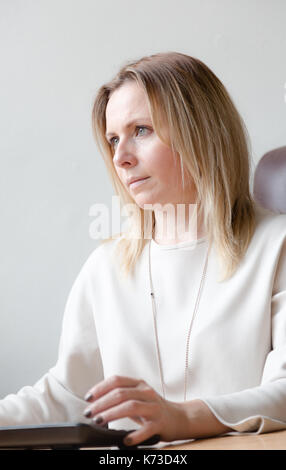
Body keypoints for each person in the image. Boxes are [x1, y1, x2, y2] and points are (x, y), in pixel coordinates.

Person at [0, 51, 286, 448]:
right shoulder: (107, 266)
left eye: (142, 130)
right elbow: (66, 396)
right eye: (113, 138)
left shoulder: (276, 246)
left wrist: (184, 416)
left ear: (202, 131)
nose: (121, 157)